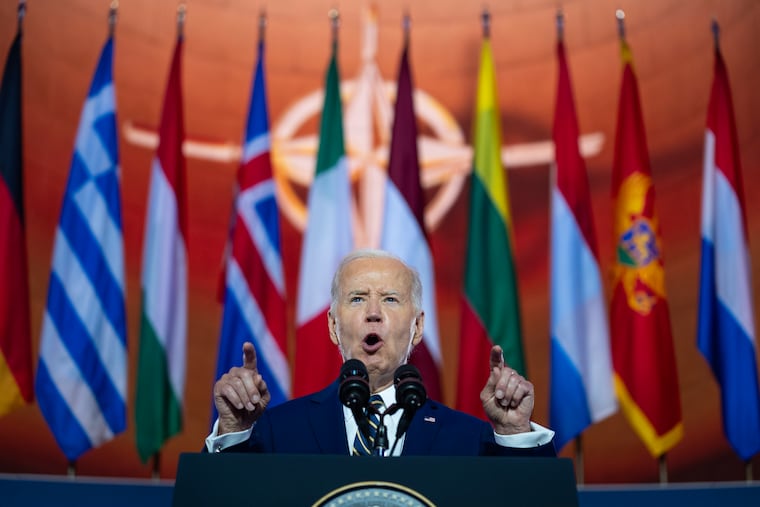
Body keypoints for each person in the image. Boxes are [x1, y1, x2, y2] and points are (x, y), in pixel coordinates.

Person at [206, 249, 555, 456]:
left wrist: (514, 433)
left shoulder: (467, 439)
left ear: (417, 328)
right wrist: (235, 430)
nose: (373, 312)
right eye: (358, 298)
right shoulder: (277, 433)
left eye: (390, 299)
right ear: (332, 327)